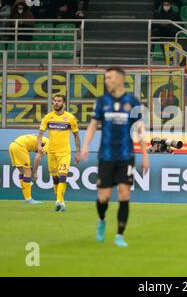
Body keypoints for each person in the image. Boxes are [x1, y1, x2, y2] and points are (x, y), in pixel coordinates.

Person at [81, 67, 150, 248]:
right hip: (106, 156)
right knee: (103, 197)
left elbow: (140, 130)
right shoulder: (102, 101)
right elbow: (93, 125)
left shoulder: (132, 101)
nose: (106, 81)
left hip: (126, 156)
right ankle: (102, 220)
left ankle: (119, 235)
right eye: (105, 78)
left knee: (124, 193)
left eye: (109, 77)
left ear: (120, 80)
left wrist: (145, 155)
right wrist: (86, 145)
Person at [38, 94, 81, 212]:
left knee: (63, 175)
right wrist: (38, 146)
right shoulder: (47, 117)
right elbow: (40, 134)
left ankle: (58, 201)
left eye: (59, 101)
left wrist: (78, 152)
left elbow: (76, 136)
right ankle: (61, 202)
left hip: (64, 152)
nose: (56, 103)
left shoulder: (70, 118)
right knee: (55, 178)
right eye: (55, 101)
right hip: (51, 152)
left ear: (64, 103)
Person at [9, 134, 49, 204]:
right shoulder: (48, 145)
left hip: (13, 145)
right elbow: (37, 158)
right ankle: (28, 199)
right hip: (20, 147)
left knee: (22, 172)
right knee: (28, 172)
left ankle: (26, 197)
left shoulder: (45, 140)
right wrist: (35, 172)